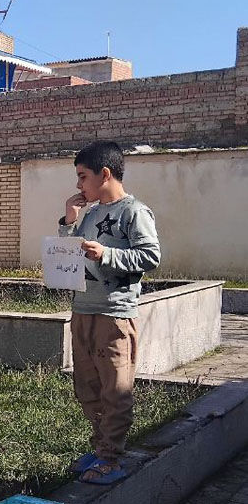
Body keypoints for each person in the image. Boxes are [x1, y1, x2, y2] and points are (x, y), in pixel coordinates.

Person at [61, 141, 160, 485]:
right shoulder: (89, 215)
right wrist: (69, 222)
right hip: (83, 310)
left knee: (115, 389)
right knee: (88, 387)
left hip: (114, 314)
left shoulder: (134, 212)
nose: (78, 185)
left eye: (82, 176)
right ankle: (100, 446)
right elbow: (70, 255)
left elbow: (150, 256)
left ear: (104, 174)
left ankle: (111, 458)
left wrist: (106, 254)